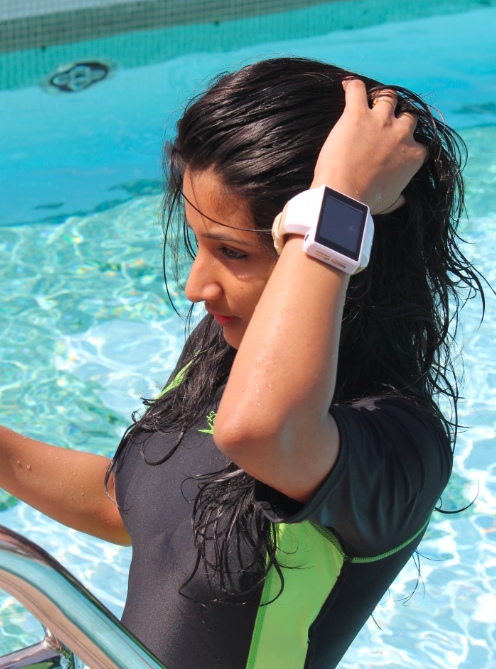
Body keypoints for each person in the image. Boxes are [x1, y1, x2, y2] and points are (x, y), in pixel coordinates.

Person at [0, 59, 483, 669]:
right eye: (199, 244)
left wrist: (338, 197)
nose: (197, 286)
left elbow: (258, 432)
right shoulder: (224, 347)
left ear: (349, 247)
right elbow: (135, 509)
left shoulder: (398, 444)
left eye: (232, 252)